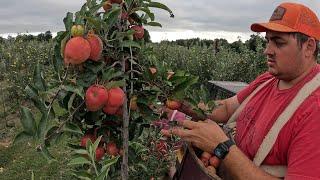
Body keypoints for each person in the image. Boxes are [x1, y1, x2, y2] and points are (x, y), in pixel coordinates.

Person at [162, 2, 320, 179]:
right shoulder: (269, 79)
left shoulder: (314, 109)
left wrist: (222, 147)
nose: (267, 51)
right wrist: (182, 101)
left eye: (279, 43)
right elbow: (228, 108)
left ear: (309, 47)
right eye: (267, 41)